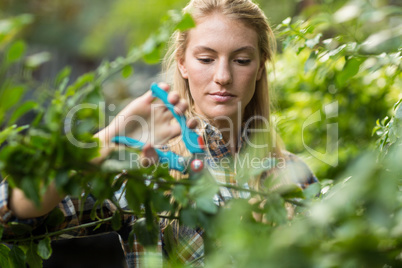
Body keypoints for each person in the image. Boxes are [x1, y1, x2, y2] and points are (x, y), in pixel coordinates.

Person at [0, 0, 317, 267]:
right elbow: (13, 220)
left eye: (242, 60)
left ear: (260, 66)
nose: (223, 76)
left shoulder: (295, 176)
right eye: (206, 59)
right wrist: (107, 140)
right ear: (182, 64)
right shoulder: (144, 167)